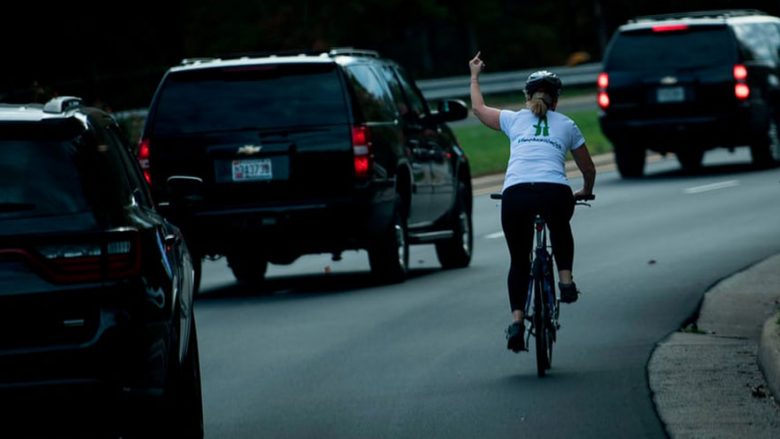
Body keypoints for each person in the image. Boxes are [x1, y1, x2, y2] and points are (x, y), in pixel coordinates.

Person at [468, 52, 596, 353]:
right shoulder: (567, 124)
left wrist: (474, 75)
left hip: (516, 195)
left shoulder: (513, 119)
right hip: (555, 192)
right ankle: (565, 280)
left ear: (527, 96)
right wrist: (585, 189)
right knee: (560, 226)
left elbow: (478, 108)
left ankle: (516, 321)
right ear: (557, 100)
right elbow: (588, 168)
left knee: (519, 260)